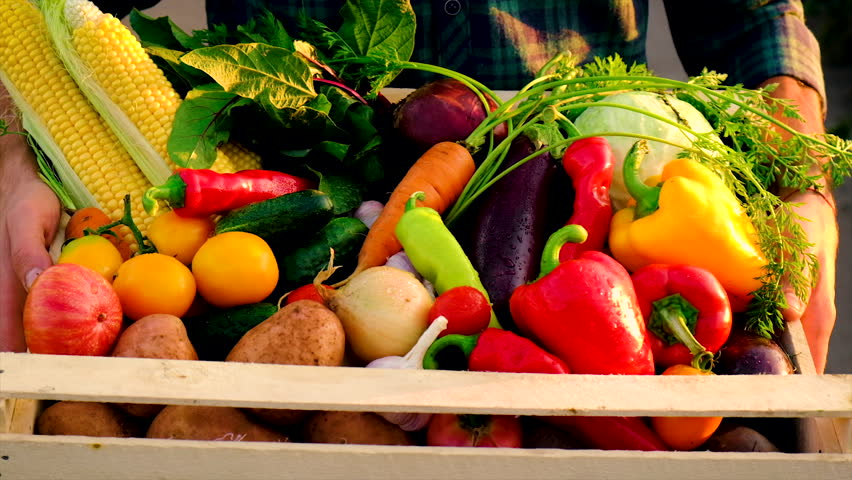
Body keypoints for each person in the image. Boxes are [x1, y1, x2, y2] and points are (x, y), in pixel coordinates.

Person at [0, 0, 838, 372]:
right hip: (295, 161)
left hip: (576, 168)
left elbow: (755, 16)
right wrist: (16, 151)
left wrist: (803, 185)